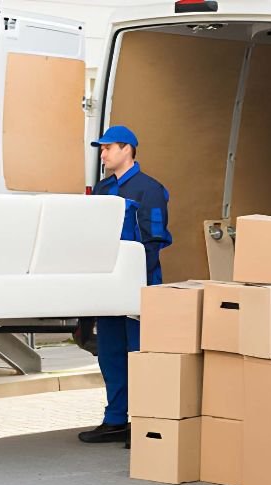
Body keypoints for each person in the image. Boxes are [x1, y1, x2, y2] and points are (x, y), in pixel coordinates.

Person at [78, 125, 172, 445]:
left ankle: (143, 422)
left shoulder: (150, 189)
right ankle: (116, 419)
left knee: (138, 354)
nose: (102, 154)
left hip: (138, 286)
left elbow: (154, 240)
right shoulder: (103, 189)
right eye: (101, 149)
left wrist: (136, 282)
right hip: (108, 287)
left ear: (127, 149)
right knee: (110, 353)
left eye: (107, 148)